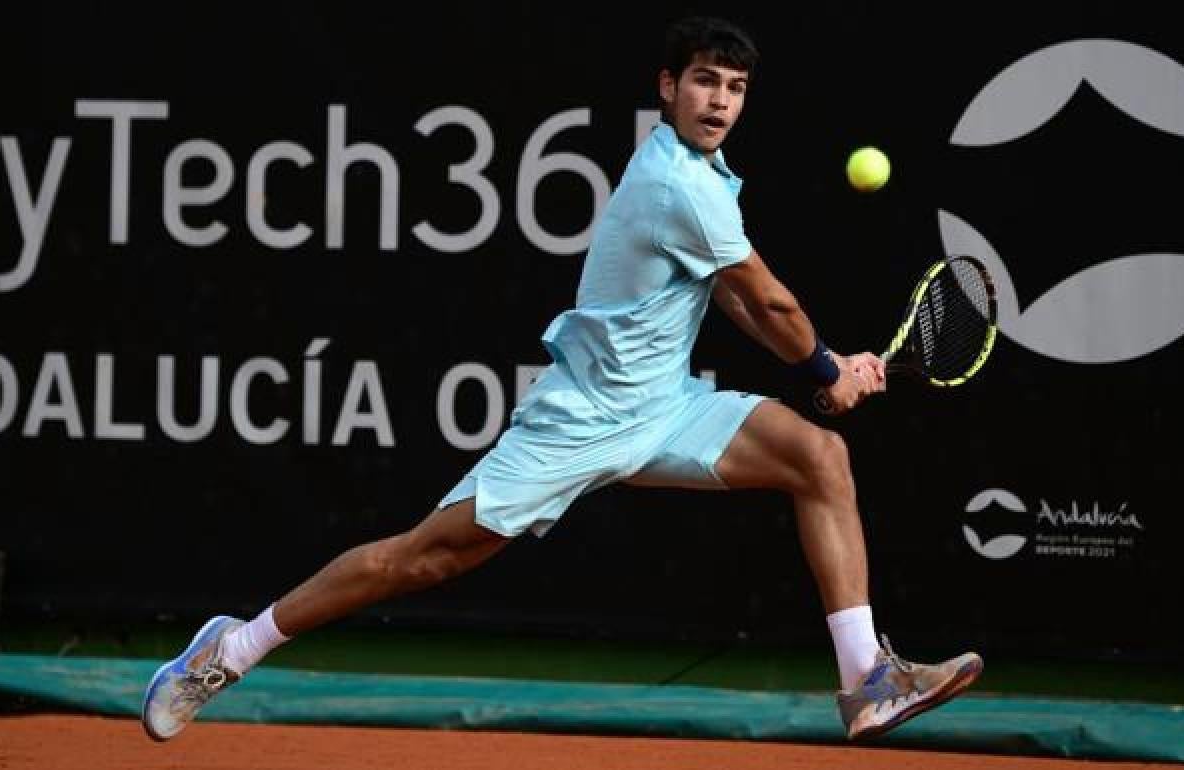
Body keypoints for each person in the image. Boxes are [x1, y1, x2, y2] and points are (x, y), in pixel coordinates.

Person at [141, 15, 982, 744]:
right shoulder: (674, 183)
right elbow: (770, 299)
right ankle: (232, 648)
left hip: (668, 406)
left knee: (818, 457)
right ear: (667, 87)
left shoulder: (706, 177)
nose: (720, 101)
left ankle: (867, 679)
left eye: (734, 87)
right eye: (703, 82)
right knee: (420, 562)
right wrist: (828, 368)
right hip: (579, 421)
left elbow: (731, 294)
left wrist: (824, 374)